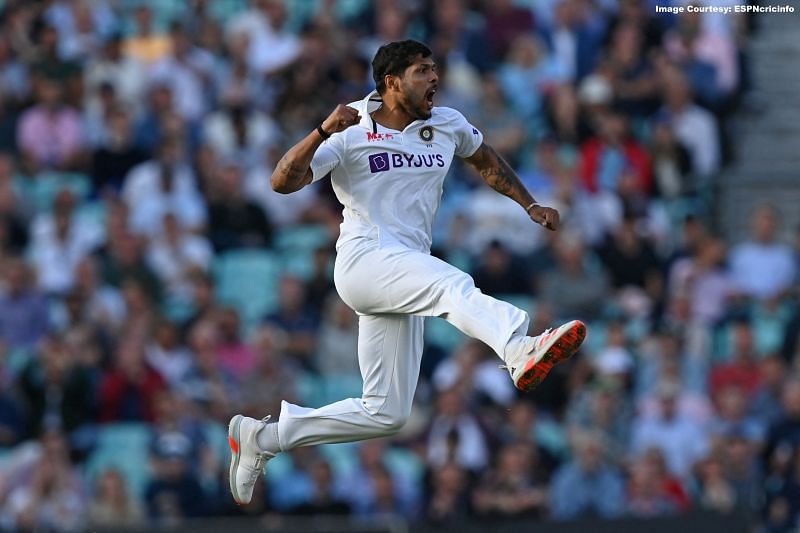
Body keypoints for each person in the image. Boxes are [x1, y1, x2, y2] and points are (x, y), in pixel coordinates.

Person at [227, 40, 587, 505]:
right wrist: (320, 131)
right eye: (422, 71)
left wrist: (530, 204)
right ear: (392, 82)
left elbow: (486, 162)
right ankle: (518, 347)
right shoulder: (351, 125)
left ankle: (264, 438)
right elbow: (281, 182)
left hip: (405, 269)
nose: (434, 78)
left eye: (434, 69)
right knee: (450, 283)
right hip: (365, 258)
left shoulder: (447, 123)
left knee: (387, 412)